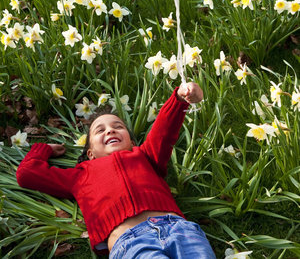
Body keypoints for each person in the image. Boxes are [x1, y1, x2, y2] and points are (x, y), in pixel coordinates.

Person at [17, 82, 216, 258]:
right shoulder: (79, 175)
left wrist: (180, 98)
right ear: (90, 153)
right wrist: (44, 149)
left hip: (179, 230)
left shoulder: (145, 155)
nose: (110, 130)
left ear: (131, 141)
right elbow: (28, 174)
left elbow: (164, 131)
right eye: (100, 130)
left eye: (118, 126)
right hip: (130, 241)